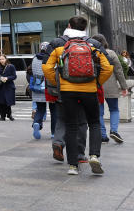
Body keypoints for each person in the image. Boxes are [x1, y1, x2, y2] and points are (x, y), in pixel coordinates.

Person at [43, 15, 113, 176]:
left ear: (68, 25)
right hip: (89, 90)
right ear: (85, 28)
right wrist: (96, 83)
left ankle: (73, 166)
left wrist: (60, 82)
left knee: (71, 126)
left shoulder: (58, 43)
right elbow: (107, 68)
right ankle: (94, 156)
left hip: (67, 91)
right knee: (94, 123)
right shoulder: (94, 44)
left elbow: (47, 68)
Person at [92, 34, 127, 144]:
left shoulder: (91, 53)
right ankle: (114, 131)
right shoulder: (111, 53)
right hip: (111, 86)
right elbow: (119, 71)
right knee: (114, 109)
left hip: (96, 86)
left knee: (99, 112)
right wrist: (124, 86)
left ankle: (103, 136)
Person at [29, 42, 50, 140]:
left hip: (37, 87)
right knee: (54, 110)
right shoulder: (50, 58)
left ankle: (36, 122)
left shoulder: (34, 59)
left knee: (40, 108)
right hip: (48, 87)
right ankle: (54, 133)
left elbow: (32, 72)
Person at [0, 54, 17, 121]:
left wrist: (7, 78)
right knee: (0, 102)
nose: (1, 60)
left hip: (8, 86)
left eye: (3, 59)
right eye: (0, 59)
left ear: (6, 59)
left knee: (7, 102)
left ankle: (9, 115)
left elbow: (14, 76)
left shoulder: (11, 66)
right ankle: (2, 116)